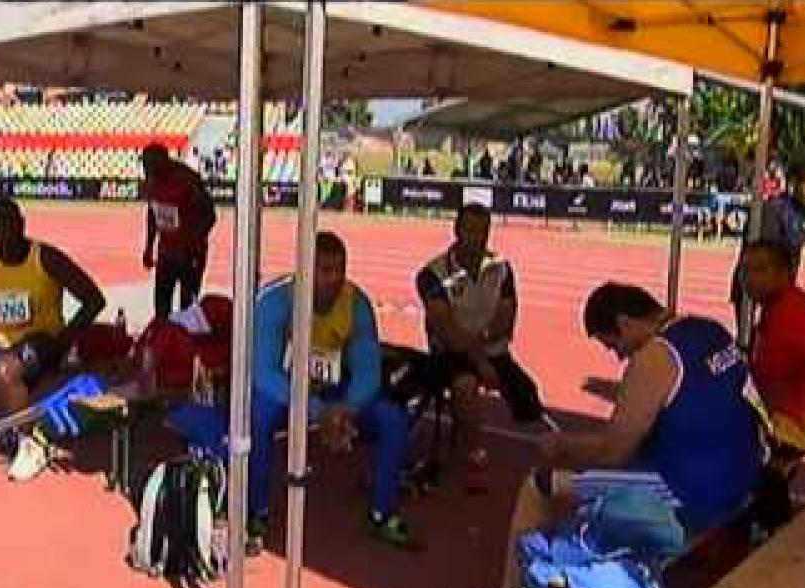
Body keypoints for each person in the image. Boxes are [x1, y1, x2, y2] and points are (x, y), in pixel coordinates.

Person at [432, 282, 765, 588]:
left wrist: (561, 446)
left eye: (612, 345)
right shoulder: (709, 330)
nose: (619, 357)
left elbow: (613, 451)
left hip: (695, 494)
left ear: (624, 323)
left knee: (540, 485)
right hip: (744, 476)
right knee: (600, 485)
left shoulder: (655, 357)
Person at [249, 232, 417, 552]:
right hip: (284, 390)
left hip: (333, 392)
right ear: (305, 269)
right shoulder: (275, 302)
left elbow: (368, 368)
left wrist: (348, 410)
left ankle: (382, 512)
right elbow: (264, 372)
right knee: (257, 417)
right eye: (324, 270)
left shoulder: (357, 304)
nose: (334, 279)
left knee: (393, 419)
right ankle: (257, 511)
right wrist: (315, 411)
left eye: (339, 270)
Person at [0, 198, 106, 481]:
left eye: (9, 226)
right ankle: (16, 414)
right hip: (2, 343)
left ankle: (32, 442)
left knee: (3, 371)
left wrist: (65, 338)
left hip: (43, 342)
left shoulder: (44, 258)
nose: (4, 236)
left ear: (22, 225)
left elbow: (94, 299)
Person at [414, 203, 545, 491]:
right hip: (449, 355)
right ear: (457, 231)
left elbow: (506, 319)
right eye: (470, 230)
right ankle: (474, 452)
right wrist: (480, 360)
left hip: (493, 351)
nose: (477, 238)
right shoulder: (431, 274)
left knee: (530, 402)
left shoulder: (502, 268)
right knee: (464, 386)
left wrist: (484, 346)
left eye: (483, 231)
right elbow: (447, 331)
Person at [741, 240, 805, 536]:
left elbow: (762, 377)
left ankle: (769, 528)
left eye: (760, 270)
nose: (750, 279)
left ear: (785, 272)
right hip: (791, 413)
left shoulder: (790, 316)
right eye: (745, 271)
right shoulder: (782, 305)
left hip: (797, 423)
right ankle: (764, 521)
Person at [729, 162, 805, 340]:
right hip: (755, 292)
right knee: (753, 345)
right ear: (794, 184)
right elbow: (761, 259)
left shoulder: (795, 212)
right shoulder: (773, 210)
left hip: (776, 295)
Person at [141, 143, 217, 318]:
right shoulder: (152, 180)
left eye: (148, 164)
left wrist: (192, 244)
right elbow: (152, 213)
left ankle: (186, 342)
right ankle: (163, 341)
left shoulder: (188, 180)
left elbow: (210, 216)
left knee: (187, 308)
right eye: (144, 164)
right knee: (161, 306)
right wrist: (149, 247)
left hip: (190, 255)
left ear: (162, 162)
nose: (145, 168)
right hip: (166, 253)